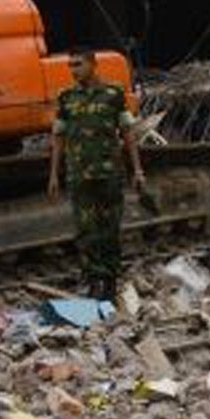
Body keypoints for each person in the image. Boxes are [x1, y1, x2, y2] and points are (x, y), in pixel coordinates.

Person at [47, 49, 147, 301]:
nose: (73, 70)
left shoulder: (113, 94)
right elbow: (58, 137)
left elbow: (127, 133)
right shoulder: (66, 97)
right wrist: (53, 175)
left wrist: (137, 169)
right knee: (85, 230)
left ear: (93, 64)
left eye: (78, 64)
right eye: (70, 66)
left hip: (109, 174)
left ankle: (110, 281)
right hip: (79, 176)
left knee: (109, 229)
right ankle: (94, 281)